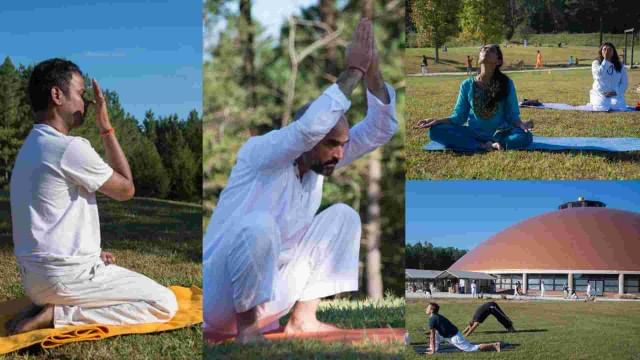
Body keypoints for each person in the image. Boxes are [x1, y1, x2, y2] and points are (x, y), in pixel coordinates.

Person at [202, 18, 397, 344]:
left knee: (343, 217)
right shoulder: (261, 154)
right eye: (332, 143)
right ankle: (246, 330)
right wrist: (353, 72)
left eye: (343, 144)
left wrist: (372, 71)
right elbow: (308, 129)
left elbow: (380, 130)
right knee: (260, 226)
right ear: (310, 142)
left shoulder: (322, 160)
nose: (339, 153)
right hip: (220, 297)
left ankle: (302, 320)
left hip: (273, 295)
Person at [6, 59, 178, 335]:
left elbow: (48, 217)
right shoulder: (67, 147)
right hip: (64, 280)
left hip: (35, 281)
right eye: (80, 93)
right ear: (56, 95)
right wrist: (105, 125)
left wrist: (89, 252)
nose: (86, 102)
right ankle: (60, 314)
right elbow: (126, 190)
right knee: (163, 302)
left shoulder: (30, 147)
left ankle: (50, 305)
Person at [416, 44, 532, 152]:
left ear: (498, 61)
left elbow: (512, 115)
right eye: (482, 49)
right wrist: (437, 121)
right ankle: (482, 145)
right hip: (473, 134)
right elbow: (459, 117)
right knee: (436, 131)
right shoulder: (467, 85)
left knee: (525, 136)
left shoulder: (506, 83)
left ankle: (492, 142)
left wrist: (521, 124)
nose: (485, 50)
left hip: (501, 133)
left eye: (491, 50)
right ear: (479, 58)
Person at [426, 303, 500, 354]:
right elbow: (434, 334)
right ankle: (434, 348)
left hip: (455, 338)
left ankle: (494, 345)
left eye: (428, 307)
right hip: (449, 335)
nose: (426, 308)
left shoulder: (432, 319)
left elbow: (432, 337)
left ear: (432, 310)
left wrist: (432, 352)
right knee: (436, 334)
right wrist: (433, 348)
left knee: (472, 348)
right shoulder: (435, 316)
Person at [589, 42, 628, 111]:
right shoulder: (596, 63)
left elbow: (624, 83)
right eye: (604, 49)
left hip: (615, 94)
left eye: (609, 50)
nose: (607, 51)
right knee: (601, 107)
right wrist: (606, 60)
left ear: (613, 52)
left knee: (619, 107)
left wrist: (615, 92)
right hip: (600, 94)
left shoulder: (620, 65)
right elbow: (598, 76)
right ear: (601, 51)